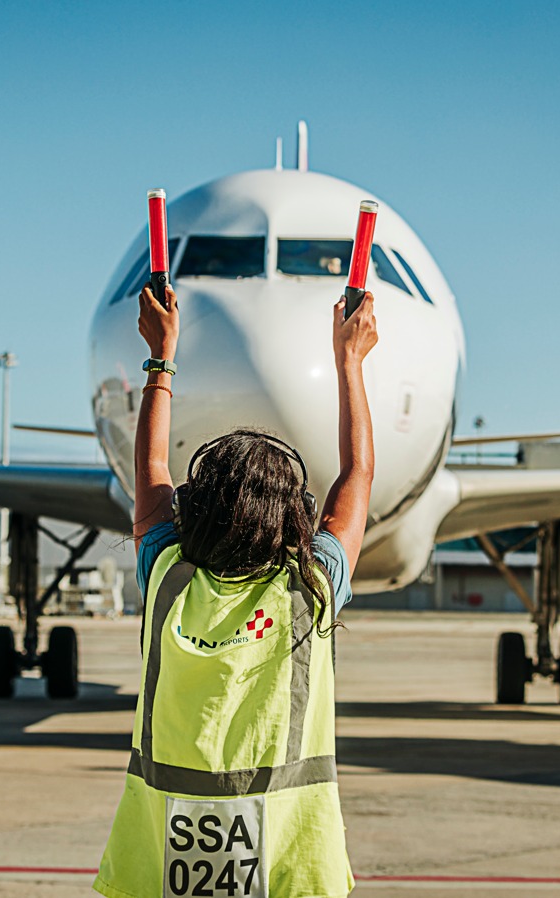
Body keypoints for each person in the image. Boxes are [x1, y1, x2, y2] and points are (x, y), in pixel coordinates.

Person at [94, 280, 378, 898]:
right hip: (291, 864)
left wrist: (160, 359)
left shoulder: (168, 580)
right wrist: (349, 362)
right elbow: (356, 476)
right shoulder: (310, 590)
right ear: (295, 515)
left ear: (194, 508)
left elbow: (151, 474)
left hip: (154, 864)